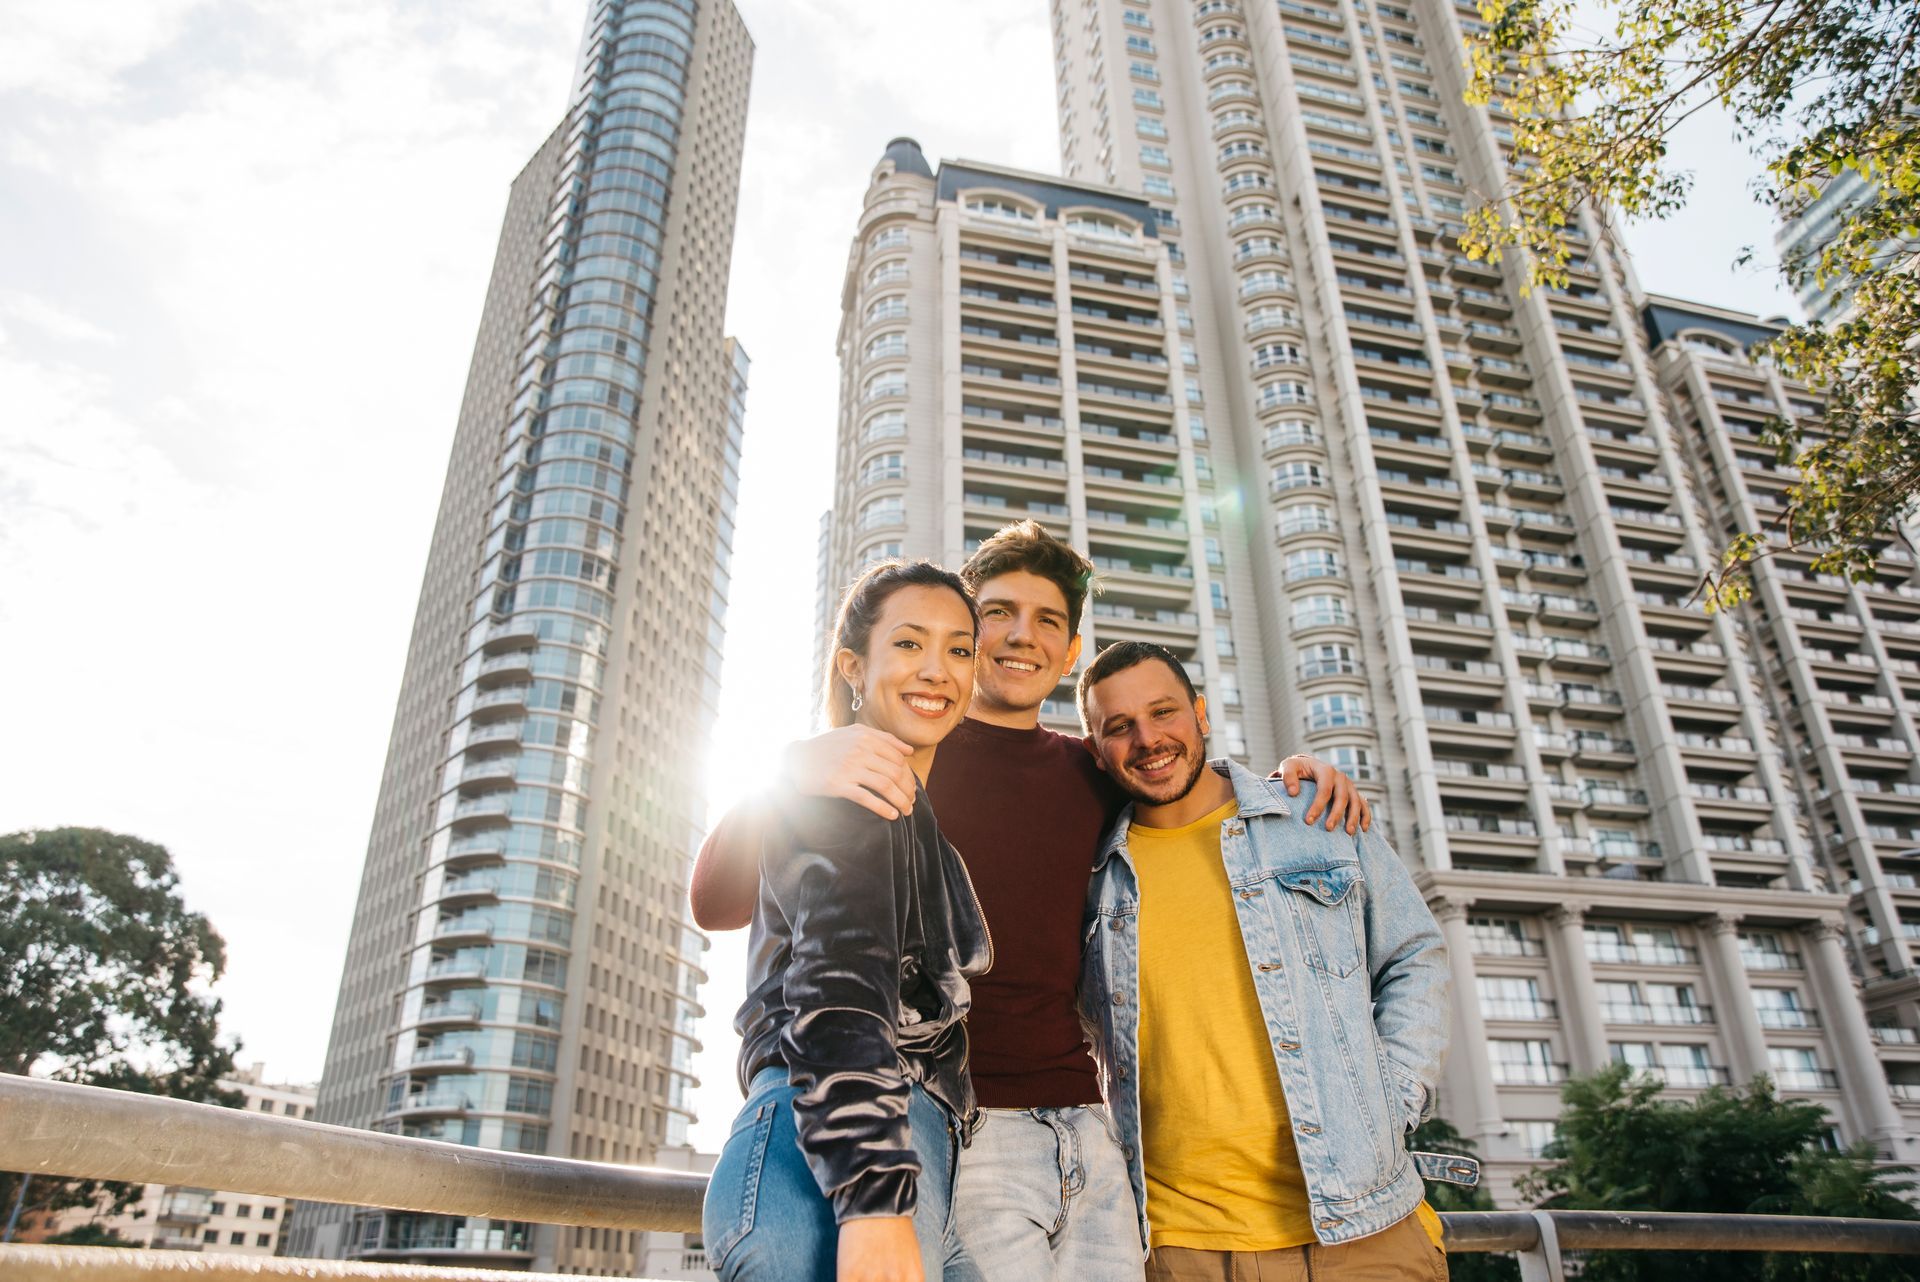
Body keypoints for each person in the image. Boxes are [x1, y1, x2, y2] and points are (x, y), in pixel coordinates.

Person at [692, 520, 1374, 1280]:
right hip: (954, 1126)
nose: (1022, 637)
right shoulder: (887, 753)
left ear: (1071, 650)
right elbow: (718, 903)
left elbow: (1188, 785)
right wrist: (790, 768)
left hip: (1089, 1125)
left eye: (1048, 620)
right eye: (997, 615)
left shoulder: (1093, 773)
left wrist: (1296, 781)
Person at [1075, 640, 1477, 1281]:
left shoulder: (1315, 815)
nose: (1148, 739)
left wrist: (1393, 1099)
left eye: (1164, 712)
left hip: (1368, 1231)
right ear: (1095, 750)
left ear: (1201, 714)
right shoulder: (1090, 873)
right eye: (1119, 727)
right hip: (1184, 1246)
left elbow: (1413, 956)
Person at [702, 559, 992, 1282]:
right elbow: (839, 996)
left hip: (897, 1147)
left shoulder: (892, 799)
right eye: (908, 644)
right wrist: (873, 1203)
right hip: (844, 1152)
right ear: (852, 665)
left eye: (959, 650)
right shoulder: (855, 788)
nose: (938, 670)